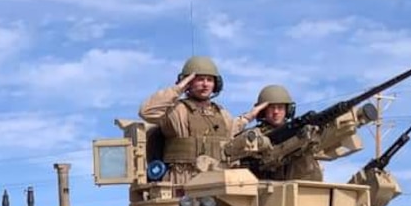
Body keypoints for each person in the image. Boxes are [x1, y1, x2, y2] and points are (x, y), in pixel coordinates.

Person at [138, 56, 266, 188]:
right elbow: (146, 111)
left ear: (216, 84)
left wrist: (249, 117)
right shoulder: (176, 111)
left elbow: (232, 131)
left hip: (218, 179)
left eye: (209, 80)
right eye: (199, 79)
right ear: (188, 82)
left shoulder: (222, 113)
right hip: (183, 178)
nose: (205, 84)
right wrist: (178, 89)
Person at [245, 84, 325, 181]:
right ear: (263, 111)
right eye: (271, 107)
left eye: (280, 107)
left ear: (288, 110)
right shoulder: (253, 135)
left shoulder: (296, 131)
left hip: (299, 185)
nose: (276, 112)